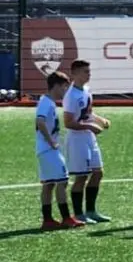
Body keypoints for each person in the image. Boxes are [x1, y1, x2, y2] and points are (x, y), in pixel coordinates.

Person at [63, 60, 111, 224]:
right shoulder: (71, 95)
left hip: (89, 137)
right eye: (85, 71)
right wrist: (90, 126)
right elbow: (68, 122)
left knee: (98, 173)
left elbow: (88, 112)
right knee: (81, 176)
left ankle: (91, 211)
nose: (89, 74)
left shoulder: (86, 90)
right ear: (74, 73)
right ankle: (79, 214)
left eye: (89, 71)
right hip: (77, 140)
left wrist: (100, 119)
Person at [37, 71, 82, 229]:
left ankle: (48, 220)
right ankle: (66, 218)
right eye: (64, 87)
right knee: (62, 181)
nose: (65, 91)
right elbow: (40, 121)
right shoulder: (46, 102)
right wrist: (51, 141)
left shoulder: (47, 101)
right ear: (56, 86)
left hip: (44, 150)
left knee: (49, 184)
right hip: (49, 150)